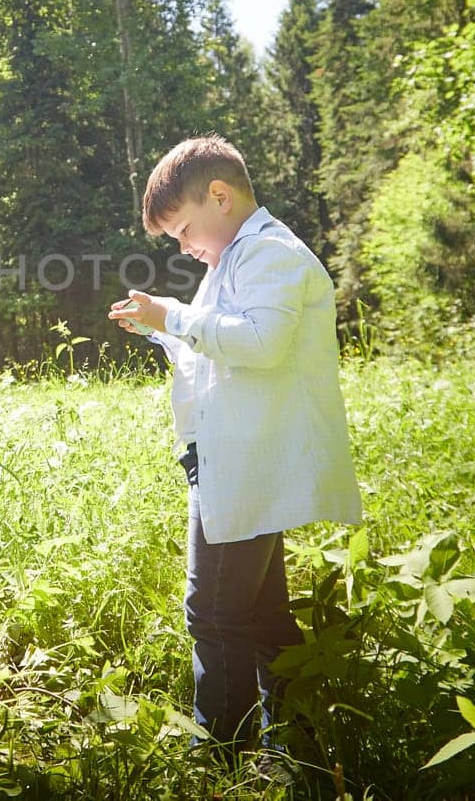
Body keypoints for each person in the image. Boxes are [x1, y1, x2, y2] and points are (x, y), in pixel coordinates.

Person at [109, 134, 363, 761]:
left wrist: (174, 317)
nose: (184, 246)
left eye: (184, 230)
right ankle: (292, 738)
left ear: (220, 196)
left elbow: (260, 343)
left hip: (248, 461)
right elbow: (215, 349)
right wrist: (161, 328)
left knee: (215, 613)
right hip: (233, 457)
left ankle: (219, 749)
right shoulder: (234, 261)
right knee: (262, 611)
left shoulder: (269, 253)